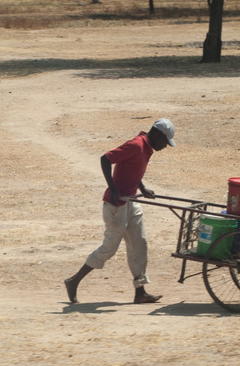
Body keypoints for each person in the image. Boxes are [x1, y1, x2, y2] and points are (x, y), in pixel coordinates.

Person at [64, 118, 176, 304]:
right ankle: (73, 281)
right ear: (157, 134)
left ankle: (140, 292)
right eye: (165, 141)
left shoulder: (147, 148)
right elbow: (105, 159)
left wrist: (142, 188)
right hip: (116, 205)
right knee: (109, 249)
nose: (165, 146)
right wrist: (114, 189)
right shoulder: (136, 145)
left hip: (130, 201)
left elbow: (132, 169)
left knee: (139, 244)